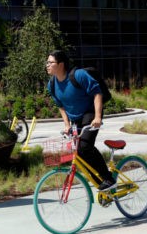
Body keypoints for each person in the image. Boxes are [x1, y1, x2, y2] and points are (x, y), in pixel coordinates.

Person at [46, 50, 116, 191]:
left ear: (61, 64)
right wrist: (66, 124)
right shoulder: (52, 84)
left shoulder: (78, 75)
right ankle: (101, 184)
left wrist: (97, 117)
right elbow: (60, 105)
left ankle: (108, 178)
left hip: (90, 112)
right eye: (47, 62)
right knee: (77, 152)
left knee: (84, 147)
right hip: (76, 119)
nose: (47, 65)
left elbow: (97, 93)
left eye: (50, 62)